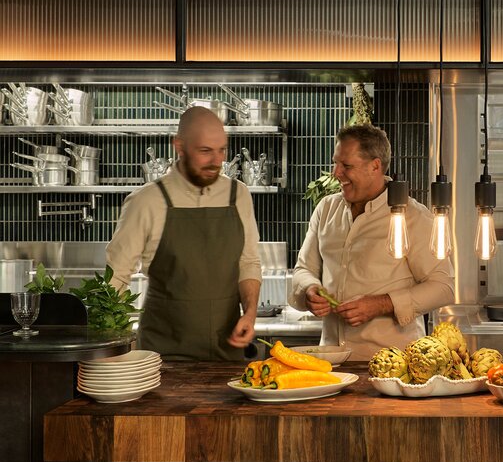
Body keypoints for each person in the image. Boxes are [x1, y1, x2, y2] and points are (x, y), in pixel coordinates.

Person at [106, 106, 262, 361]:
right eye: (205, 151)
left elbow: (248, 262)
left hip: (229, 354)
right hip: (164, 355)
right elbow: (116, 278)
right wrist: (117, 351)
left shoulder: (239, 195)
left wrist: (250, 313)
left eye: (221, 150)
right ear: (178, 146)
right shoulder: (146, 201)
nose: (216, 162)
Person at [289, 124, 454, 361]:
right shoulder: (326, 209)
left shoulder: (414, 216)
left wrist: (382, 304)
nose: (336, 173)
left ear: (375, 166)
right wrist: (308, 290)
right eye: (336, 163)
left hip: (395, 365)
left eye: (346, 166)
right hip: (331, 362)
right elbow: (304, 269)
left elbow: (443, 287)